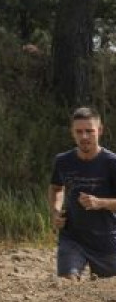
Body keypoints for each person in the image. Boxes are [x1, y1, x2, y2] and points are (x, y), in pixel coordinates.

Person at [48, 106, 116, 279]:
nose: (84, 136)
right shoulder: (63, 161)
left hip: (105, 240)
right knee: (67, 283)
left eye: (89, 131)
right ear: (72, 133)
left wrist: (100, 203)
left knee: (104, 292)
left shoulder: (111, 162)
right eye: (79, 132)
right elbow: (56, 188)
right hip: (72, 237)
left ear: (99, 131)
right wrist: (55, 211)